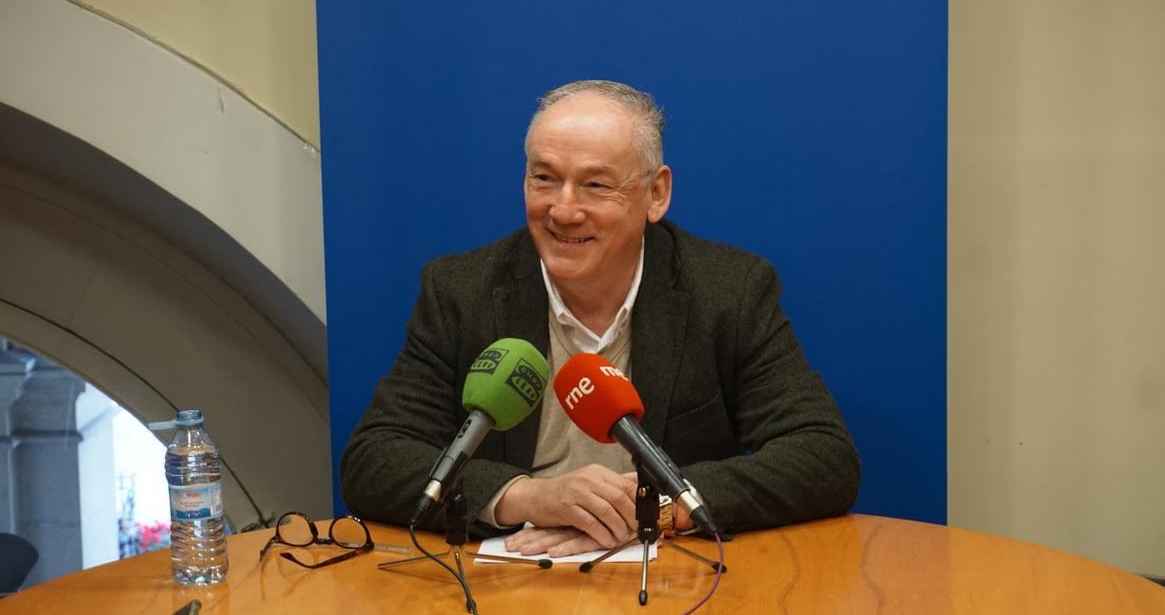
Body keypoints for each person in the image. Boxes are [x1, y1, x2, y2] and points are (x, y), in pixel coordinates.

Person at [341, 80, 860, 557]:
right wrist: (527, 497)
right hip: (509, 579)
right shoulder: (462, 291)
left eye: (595, 185)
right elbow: (374, 458)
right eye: (544, 178)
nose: (563, 211)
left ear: (656, 194)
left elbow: (822, 456)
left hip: (672, 578)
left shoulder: (727, 290)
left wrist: (654, 511)